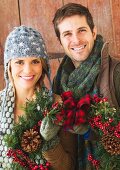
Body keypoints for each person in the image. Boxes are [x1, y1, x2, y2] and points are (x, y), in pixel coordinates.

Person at [52, 3, 120, 170]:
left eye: (82, 30)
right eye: (67, 34)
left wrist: (93, 132)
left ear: (93, 32)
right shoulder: (58, 82)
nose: (76, 40)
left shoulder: (115, 73)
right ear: (60, 41)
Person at [0, 25, 77, 170]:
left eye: (35, 61)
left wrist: (49, 140)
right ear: (9, 66)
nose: (28, 70)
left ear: (43, 65)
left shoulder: (57, 105)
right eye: (19, 62)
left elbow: (68, 166)